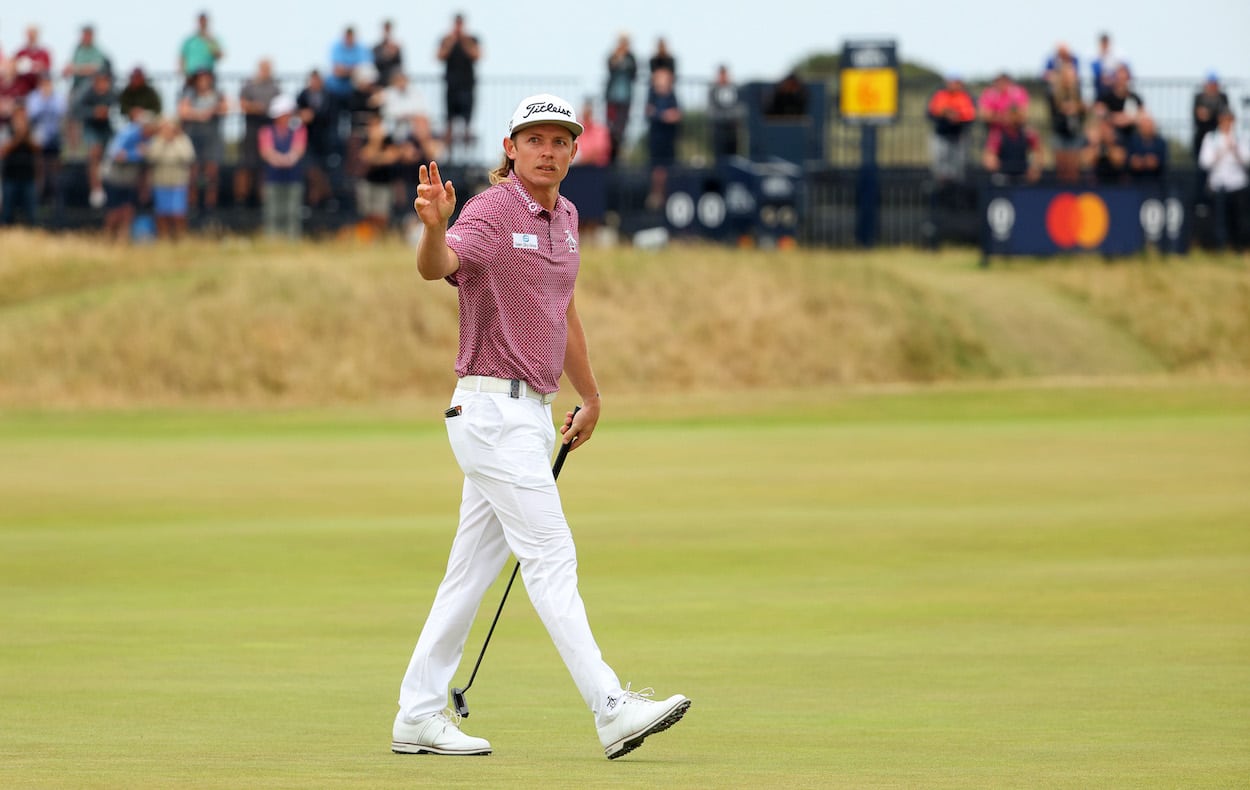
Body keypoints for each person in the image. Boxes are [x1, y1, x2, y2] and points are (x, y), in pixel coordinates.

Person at [395, 91, 691, 760]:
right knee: (552, 557)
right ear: (510, 148)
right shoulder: (491, 211)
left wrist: (590, 393)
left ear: (573, 150)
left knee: (467, 576)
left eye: (560, 140)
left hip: (527, 413)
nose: (547, 150)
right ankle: (612, 708)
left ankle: (415, 714)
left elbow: (563, 312)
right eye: (534, 139)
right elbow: (438, 267)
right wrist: (434, 227)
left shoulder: (568, 218)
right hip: (491, 410)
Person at [1198, 109, 1249, 253]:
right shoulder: (1211, 138)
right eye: (1224, 120)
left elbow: (1246, 160)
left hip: (1238, 183)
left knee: (1240, 218)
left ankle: (1239, 246)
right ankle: (1220, 246)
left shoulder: (1241, 137)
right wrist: (1220, 152)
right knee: (1220, 218)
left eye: (1229, 120)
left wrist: (1235, 149)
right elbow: (1204, 162)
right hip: (1218, 183)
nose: (1227, 124)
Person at [258, 94, 307, 241]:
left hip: (293, 177)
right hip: (273, 177)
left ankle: (292, 240)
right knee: (272, 211)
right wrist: (281, 159)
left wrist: (289, 159)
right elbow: (266, 151)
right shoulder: (266, 131)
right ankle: (272, 240)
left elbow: (299, 149)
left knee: (293, 211)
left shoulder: (298, 130)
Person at [178, 69, 228, 212]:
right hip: (194, 136)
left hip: (212, 138)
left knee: (211, 173)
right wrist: (202, 114)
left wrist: (210, 111)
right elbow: (183, 111)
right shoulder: (189, 94)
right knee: (193, 173)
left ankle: (209, 206)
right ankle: (192, 205)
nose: (204, 81)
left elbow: (226, 108)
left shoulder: (218, 94)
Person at [101, 105, 152, 242]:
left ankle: (122, 240)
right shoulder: (127, 133)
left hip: (130, 180)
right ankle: (108, 239)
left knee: (128, 211)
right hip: (114, 179)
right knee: (114, 212)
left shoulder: (149, 138)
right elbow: (117, 155)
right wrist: (137, 153)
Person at [236, 59, 281, 205]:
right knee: (247, 165)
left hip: (268, 128)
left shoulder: (275, 87)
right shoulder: (249, 85)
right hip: (252, 128)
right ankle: (242, 200)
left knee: (265, 167)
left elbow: (278, 108)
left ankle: (263, 200)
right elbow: (242, 104)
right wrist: (255, 107)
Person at [61, 25, 110, 160]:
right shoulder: (77, 50)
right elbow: (69, 67)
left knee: (84, 121)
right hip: (76, 89)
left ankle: (85, 152)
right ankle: (72, 151)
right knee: (71, 119)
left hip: (89, 91)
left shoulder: (97, 51)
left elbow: (94, 69)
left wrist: (76, 69)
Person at [436, 13, 481, 157]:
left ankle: (467, 157)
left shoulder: (471, 39)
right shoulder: (447, 39)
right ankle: (448, 157)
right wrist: (452, 41)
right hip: (451, 87)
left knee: (467, 124)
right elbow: (440, 56)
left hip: (467, 86)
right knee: (449, 123)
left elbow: (476, 55)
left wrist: (463, 40)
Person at [145, 116, 195, 241]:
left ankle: (181, 239)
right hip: (160, 183)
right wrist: (163, 142)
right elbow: (152, 158)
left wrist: (174, 141)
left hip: (178, 183)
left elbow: (188, 157)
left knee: (178, 214)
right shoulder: (156, 140)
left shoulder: (183, 140)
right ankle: (163, 239)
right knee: (162, 214)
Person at [296, 70, 339, 207]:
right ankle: (326, 198)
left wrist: (314, 116)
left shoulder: (330, 96)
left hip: (325, 142)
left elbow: (331, 116)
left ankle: (320, 202)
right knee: (312, 171)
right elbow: (297, 114)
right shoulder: (302, 96)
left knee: (322, 172)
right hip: (308, 141)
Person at [925, 73, 977, 184]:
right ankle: (940, 190)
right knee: (940, 166)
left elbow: (970, 115)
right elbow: (931, 113)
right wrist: (945, 114)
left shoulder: (965, 96)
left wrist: (958, 117)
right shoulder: (940, 94)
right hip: (941, 134)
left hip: (959, 136)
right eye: (951, 82)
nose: (953, 85)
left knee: (958, 168)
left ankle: (957, 193)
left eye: (956, 82)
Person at [25, 74, 65, 213]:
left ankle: (54, 201)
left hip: (55, 139)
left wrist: (47, 101)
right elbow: (32, 115)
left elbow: (61, 112)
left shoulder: (59, 97)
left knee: (54, 173)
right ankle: (39, 200)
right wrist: (44, 100)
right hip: (38, 140)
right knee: (39, 170)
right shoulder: (33, 97)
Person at [355, 112, 399, 237]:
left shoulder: (389, 138)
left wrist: (376, 158)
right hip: (368, 182)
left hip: (384, 182)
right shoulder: (365, 139)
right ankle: (368, 238)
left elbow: (392, 157)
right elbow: (365, 157)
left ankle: (380, 238)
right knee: (367, 214)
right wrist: (375, 142)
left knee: (382, 214)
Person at [645, 67, 681, 210]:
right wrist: (664, 115)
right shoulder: (652, 95)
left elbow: (676, 115)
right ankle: (655, 198)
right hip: (656, 139)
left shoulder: (672, 95)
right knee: (657, 170)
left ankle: (667, 198)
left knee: (669, 168)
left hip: (669, 139)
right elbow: (650, 112)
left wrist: (663, 115)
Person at [80, 70, 117, 209]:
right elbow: (76, 110)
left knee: (113, 150)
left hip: (108, 129)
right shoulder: (86, 93)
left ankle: (105, 173)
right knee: (94, 151)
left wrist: (107, 113)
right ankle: (96, 190)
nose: (102, 85)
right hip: (91, 127)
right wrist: (94, 113)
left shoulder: (113, 94)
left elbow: (118, 112)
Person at [1047, 61, 1087, 183]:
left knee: (1074, 168)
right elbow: (1054, 111)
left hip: (1074, 134)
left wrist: (1076, 107)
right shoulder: (1053, 93)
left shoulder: (1078, 92)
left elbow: (1084, 110)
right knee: (1061, 168)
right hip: (1060, 133)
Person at [1, 105, 41, 226]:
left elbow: (38, 148)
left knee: (31, 214)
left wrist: (26, 136)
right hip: (10, 177)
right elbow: (3, 150)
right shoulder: (6, 130)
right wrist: (18, 137)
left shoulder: (32, 130)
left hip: (28, 177)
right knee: (7, 213)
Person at [983, 105, 1042, 185]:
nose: (1013, 119)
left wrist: (1035, 167)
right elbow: (989, 156)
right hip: (1003, 173)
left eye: (1016, 116)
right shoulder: (997, 134)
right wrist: (992, 161)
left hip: (1023, 173)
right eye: (1011, 116)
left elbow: (1038, 152)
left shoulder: (1028, 133)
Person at [603, 33, 637, 165]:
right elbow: (610, 68)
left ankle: (620, 153)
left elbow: (634, 73)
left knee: (622, 127)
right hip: (612, 98)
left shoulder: (631, 58)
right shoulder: (612, 56)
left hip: (625, 99)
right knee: (611, 128)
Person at [1094, 64, 1143, 146]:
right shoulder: (1105, 96)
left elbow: (1141, 114)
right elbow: (1099, 112)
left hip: (1131, 134)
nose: (1121, 81)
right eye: (1119, 78)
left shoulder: (1135, 98)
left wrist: (1122, 119)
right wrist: (1115, 118)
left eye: (1124, 79)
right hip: (1111, 134)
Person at [707, 64, 743, 164]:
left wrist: (731, 118)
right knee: (719, 157)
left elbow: (739, 108)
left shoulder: (734, 89)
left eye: (725, 74)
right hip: (718, 129)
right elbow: (711, 111)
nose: (723, 77)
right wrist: (724, 117)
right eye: (721, 75)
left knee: (733, 157)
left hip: (732, 129)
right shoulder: (713, 90)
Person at [1192, 73, 1230, 165]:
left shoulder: (1222, 97)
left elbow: (1224, 115)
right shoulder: (1199, 97)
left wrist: (1209, 114)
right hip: (1202, 134)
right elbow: (1198, 116)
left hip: (1218, 134)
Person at [1081, 113, 1128, 186]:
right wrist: (1095, 145)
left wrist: (1109, 145)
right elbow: (1085, 162)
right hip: (1094, 182)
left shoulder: (1117, 140)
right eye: (1101, 127)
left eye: (1107, 127)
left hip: (1115, 181)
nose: (1104, 130)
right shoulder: (1091, 142)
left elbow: (1119, 161)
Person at [179, 12, 224, 81]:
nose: (202, 24)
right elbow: (182, 58)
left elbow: (219, 55)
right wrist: (184, 74)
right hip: (192, 77)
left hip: (208, 76)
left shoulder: (212, 40)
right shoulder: (190, 41)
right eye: (201, 21)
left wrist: (209, 41)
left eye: (204, 21)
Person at [1126, 113, 1167, 185]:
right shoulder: (1132, 141)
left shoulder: (1161, 142)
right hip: (1135, 182)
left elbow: (1156, 163)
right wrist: (1146, 161)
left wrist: (1141, 161)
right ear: (1140, 128)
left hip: (1156, 183)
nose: (1147, 129)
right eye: (1145, 126)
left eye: (1149, 126)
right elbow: (1133, 163)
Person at [13, 25, 53, 98]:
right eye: (29, 34)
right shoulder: (21, 53)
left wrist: (40, 67)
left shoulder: (44, 53)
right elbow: (13, 68)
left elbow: (48, 70)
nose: (31, 37)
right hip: (23, 88)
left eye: (33, 34)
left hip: (39, 89)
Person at [572, 99, 611, 167]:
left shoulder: (600, 130)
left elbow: (600, 150)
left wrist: (581, 158)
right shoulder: (577, 128)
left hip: (596, 169)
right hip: (577, 169)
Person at [373, 19, 404, 88]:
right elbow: (376, 64)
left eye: (389, 29)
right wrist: (386, 56)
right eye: (386, 29)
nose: (387, 31)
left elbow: (400, 64)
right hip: (380, 80)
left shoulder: (397, 48)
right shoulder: (376, 48)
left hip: (393, 81)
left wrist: (393, 54)